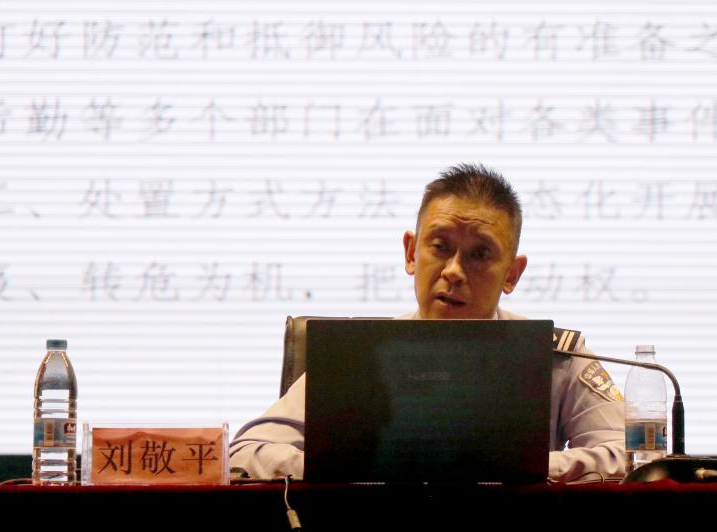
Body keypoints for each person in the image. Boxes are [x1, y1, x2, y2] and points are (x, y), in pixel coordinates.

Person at [229, 164, 625, 482]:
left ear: (511, 274)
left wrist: (528, 469)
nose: (453, 270)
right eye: (440, 247)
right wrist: (345, 469)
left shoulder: (555, 354)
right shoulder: (362, 355)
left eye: (479, 254)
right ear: (411, 253)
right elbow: (246, 453)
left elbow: (628, 454)